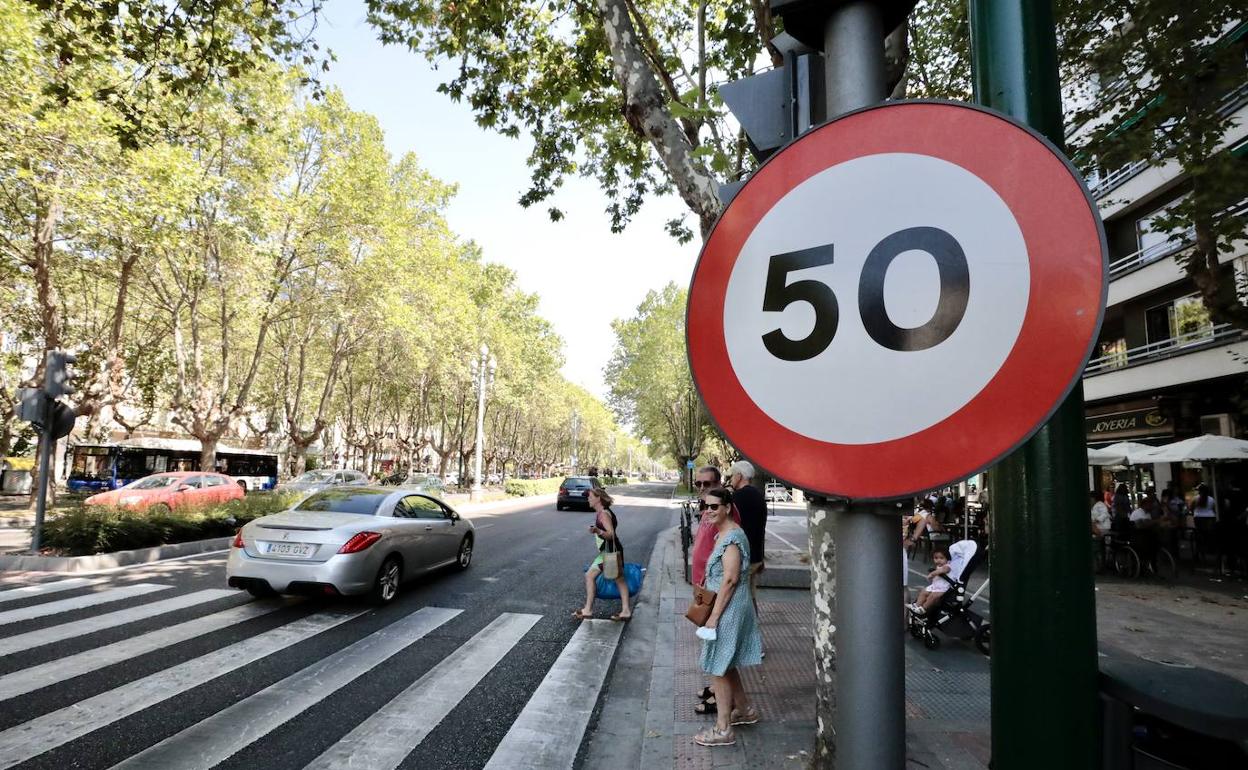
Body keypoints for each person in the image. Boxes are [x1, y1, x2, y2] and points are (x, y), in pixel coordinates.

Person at [692, 486, 763, 748]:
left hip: (728, 608)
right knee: (727, 662)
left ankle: (723, 730)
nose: (708, 511)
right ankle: (745, 711)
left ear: (727, 508)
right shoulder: (724, 533)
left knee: (717, 666)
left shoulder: (732, 538)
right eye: (705, 506)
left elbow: (731, 579)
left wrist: (714, 617)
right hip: (730, 605)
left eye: (714, 507)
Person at [572, 487, 631, 622]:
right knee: (616, 579)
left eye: (590, 497)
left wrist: (597, 531)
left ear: (598, 498)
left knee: (602, 577)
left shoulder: (604, 514)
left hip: (611, 552)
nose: (588, 499)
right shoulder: (603, 512)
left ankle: (590, 609)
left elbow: (611, 534)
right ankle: (623, 610)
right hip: (608, 551)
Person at [727, 460, 767, 609]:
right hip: (755, 555)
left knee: (742, 599)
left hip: (742, 556)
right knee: (750, 595)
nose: (731, 479)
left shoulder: (737, 497)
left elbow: (731, 526)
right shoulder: (759, 495)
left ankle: (749, 623)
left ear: (739, 476)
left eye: (732, 476)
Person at [691, 466, 740, 586]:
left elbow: (731, 551)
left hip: (712, 584)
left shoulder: (725, 510)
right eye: (698, 484)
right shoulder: (709, 507)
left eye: (707, 484)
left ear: (718, 484)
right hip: (701, 582)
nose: (702, 488)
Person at [906, 547, 952, 616]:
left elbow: (943, 570)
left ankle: (923, 609)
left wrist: (932, 574)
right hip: (935, 586)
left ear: (947, 559)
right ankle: (916, 605)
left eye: (941, 558)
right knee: (924, 591)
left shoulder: (947, 566)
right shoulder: (939, 566)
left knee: (932, 596)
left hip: (943, 588)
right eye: (936, 558)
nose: (938, 560)